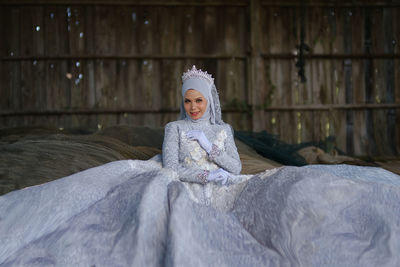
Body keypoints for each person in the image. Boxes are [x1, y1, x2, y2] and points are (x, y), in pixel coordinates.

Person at [0, 66, 400, 267]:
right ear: (182, 102)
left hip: (227, 182)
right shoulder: (174, 127)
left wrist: (214, 148)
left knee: (295, 197)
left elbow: (233, 163)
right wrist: (205, 172)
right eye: (188, 101)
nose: (193, 107)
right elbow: (170, 167)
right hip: (193, 184)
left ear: (209, 99)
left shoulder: (222, 127)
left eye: (199, 100)